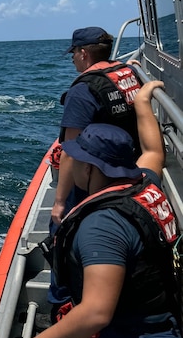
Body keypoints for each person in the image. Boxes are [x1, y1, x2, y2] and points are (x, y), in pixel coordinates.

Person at [21, 81, 182, 338]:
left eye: (73, 156)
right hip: (165, 323)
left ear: (92, 168)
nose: (67, 161)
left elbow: (96, 312)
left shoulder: (103, 224)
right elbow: (154, 151)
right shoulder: (144, 185)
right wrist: (143, 102)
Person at [52, 27, 141, 226]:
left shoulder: (82, 91)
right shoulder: (128, 72)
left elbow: (70, 151)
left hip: (98, 176)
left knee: (61, 228)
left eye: (73, 53)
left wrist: (59, 202)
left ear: (83, 53)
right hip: (131, 166)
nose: (72, 58)